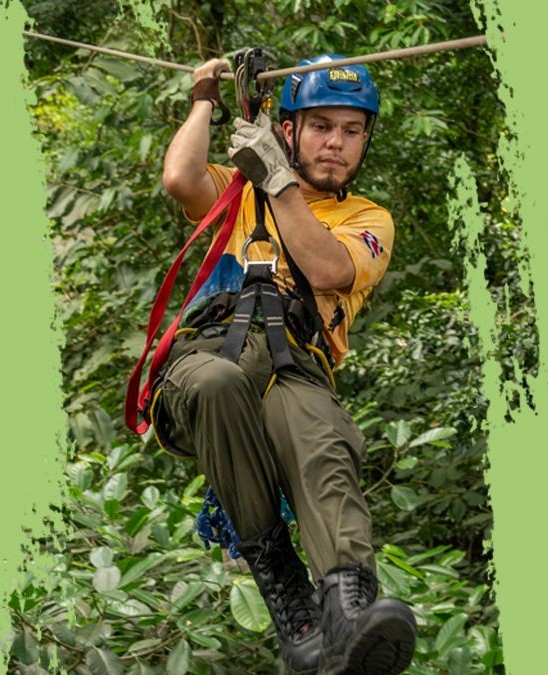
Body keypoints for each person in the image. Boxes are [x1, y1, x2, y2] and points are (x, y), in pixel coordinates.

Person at [154, 54, 416, 675]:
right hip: (208, 353)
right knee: (217, 384)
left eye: (352, 131)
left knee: (320, 439)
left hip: (293, 364)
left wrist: (279, 182)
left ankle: (347, 609)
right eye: (321, 125)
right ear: (290, 130)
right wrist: (204, 99)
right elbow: (180, 178)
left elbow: (328, 270)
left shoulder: (366, 218)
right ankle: (288, 597)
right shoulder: (239, 192)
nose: (336, 143)